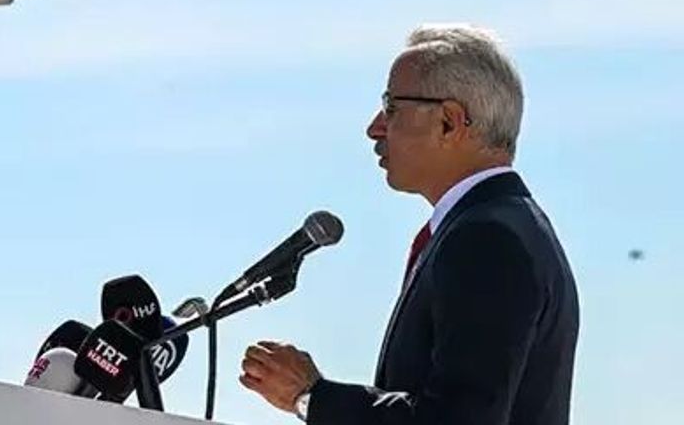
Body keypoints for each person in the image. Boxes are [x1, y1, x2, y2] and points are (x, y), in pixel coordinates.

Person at [240, 24, 579, 424]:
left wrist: (312, 397)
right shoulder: (505, 226)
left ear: (449, 121)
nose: (375, 127)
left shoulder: (488, 239)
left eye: (392, 107)